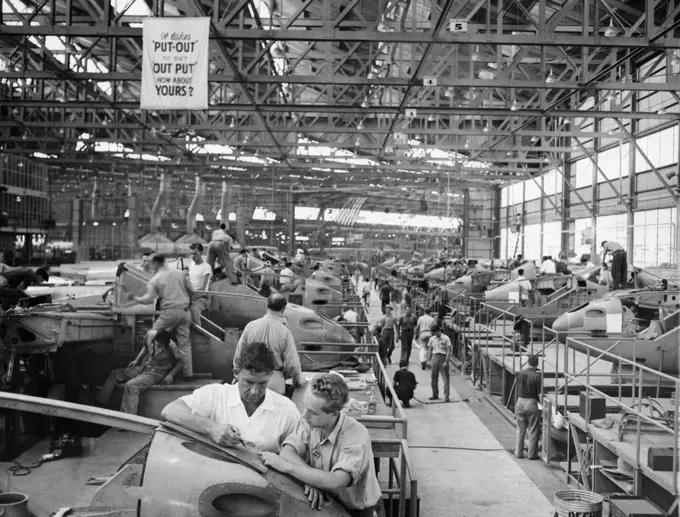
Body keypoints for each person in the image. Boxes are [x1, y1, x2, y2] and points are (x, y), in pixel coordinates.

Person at [260, 374, 384, 517]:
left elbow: (337, 480)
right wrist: (310, 480)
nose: (304, 415)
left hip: (359, 511)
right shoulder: (308, 422)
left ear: (334, 413)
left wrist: (286, 467)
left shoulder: (356, 436)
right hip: (328, 504)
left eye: (313, 412)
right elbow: (288, 452)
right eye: (305, 407)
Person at [161, 341, 300, 453]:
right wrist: (212, 428)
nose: (254, 391)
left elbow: (300, 452)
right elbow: (170, 410)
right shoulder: (216, 395)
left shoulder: (286, 409)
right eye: (248, 382)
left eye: (262, 384)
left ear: (271, 376)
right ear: (236, 373)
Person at [127, 253, 194, 378]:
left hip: (168, 313)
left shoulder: (156, 279)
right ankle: (188, 374)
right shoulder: (180, 273)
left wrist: (134, 298)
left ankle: (140, 367)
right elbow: (192, 290)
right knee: (184, 344)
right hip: (185, 312)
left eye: (151, 263)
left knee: (151, 336)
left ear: (156, 264)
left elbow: (148, 299)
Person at [97, 330, 182, 414]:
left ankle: (128, 419)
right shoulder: (151, 335)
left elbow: (182, 361)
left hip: (156, 373)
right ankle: (100, 404)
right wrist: (137, 360)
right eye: (157, 345)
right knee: (115, 374)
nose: (158, 349)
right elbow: (146, 347)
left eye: (161, 347)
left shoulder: (172, 345)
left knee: (131, 385)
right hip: (144, 368)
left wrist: (171, 375)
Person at [233, 293, 302, 395]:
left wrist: (237, 375)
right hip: (274, 380)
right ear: (283, 309)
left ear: (267, 305)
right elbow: (293, 364)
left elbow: (239, 354)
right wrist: (297, 380)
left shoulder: (251, 326)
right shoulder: (285, 332)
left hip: (250, 377)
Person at [515, 355, 542, 459]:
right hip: (531, 403)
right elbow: (539, 394)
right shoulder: (537, 376)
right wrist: (542, 407)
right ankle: (532, 455)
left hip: (520, 402)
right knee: (533, 430)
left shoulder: (520, 373)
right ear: (537, 364)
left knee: (520, 429)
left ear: (528, 362)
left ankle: (518, 453)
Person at [188, 243, 212, 325]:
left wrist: (192, 293)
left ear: (201, 253)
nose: (192, 256)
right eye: (191, 254)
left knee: (194, 311)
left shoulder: (206, 267)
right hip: (191, 295)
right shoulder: (191, 264)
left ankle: (198, 335)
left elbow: (202, 287)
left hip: (202, 297)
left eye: (195, 254)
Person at [427, 325, 451, 402]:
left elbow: (448, 351)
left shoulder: (446, 338)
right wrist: (428, 360)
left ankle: (446, 396)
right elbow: (430, 350)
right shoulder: (432, 339)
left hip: (443, 357)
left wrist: (446, 361)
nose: (435, 334)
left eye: (436, 332)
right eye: (434, 333)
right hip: (434, 357)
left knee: (445, 378)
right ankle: (435, 394)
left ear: (438, 330)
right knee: (434, 377)